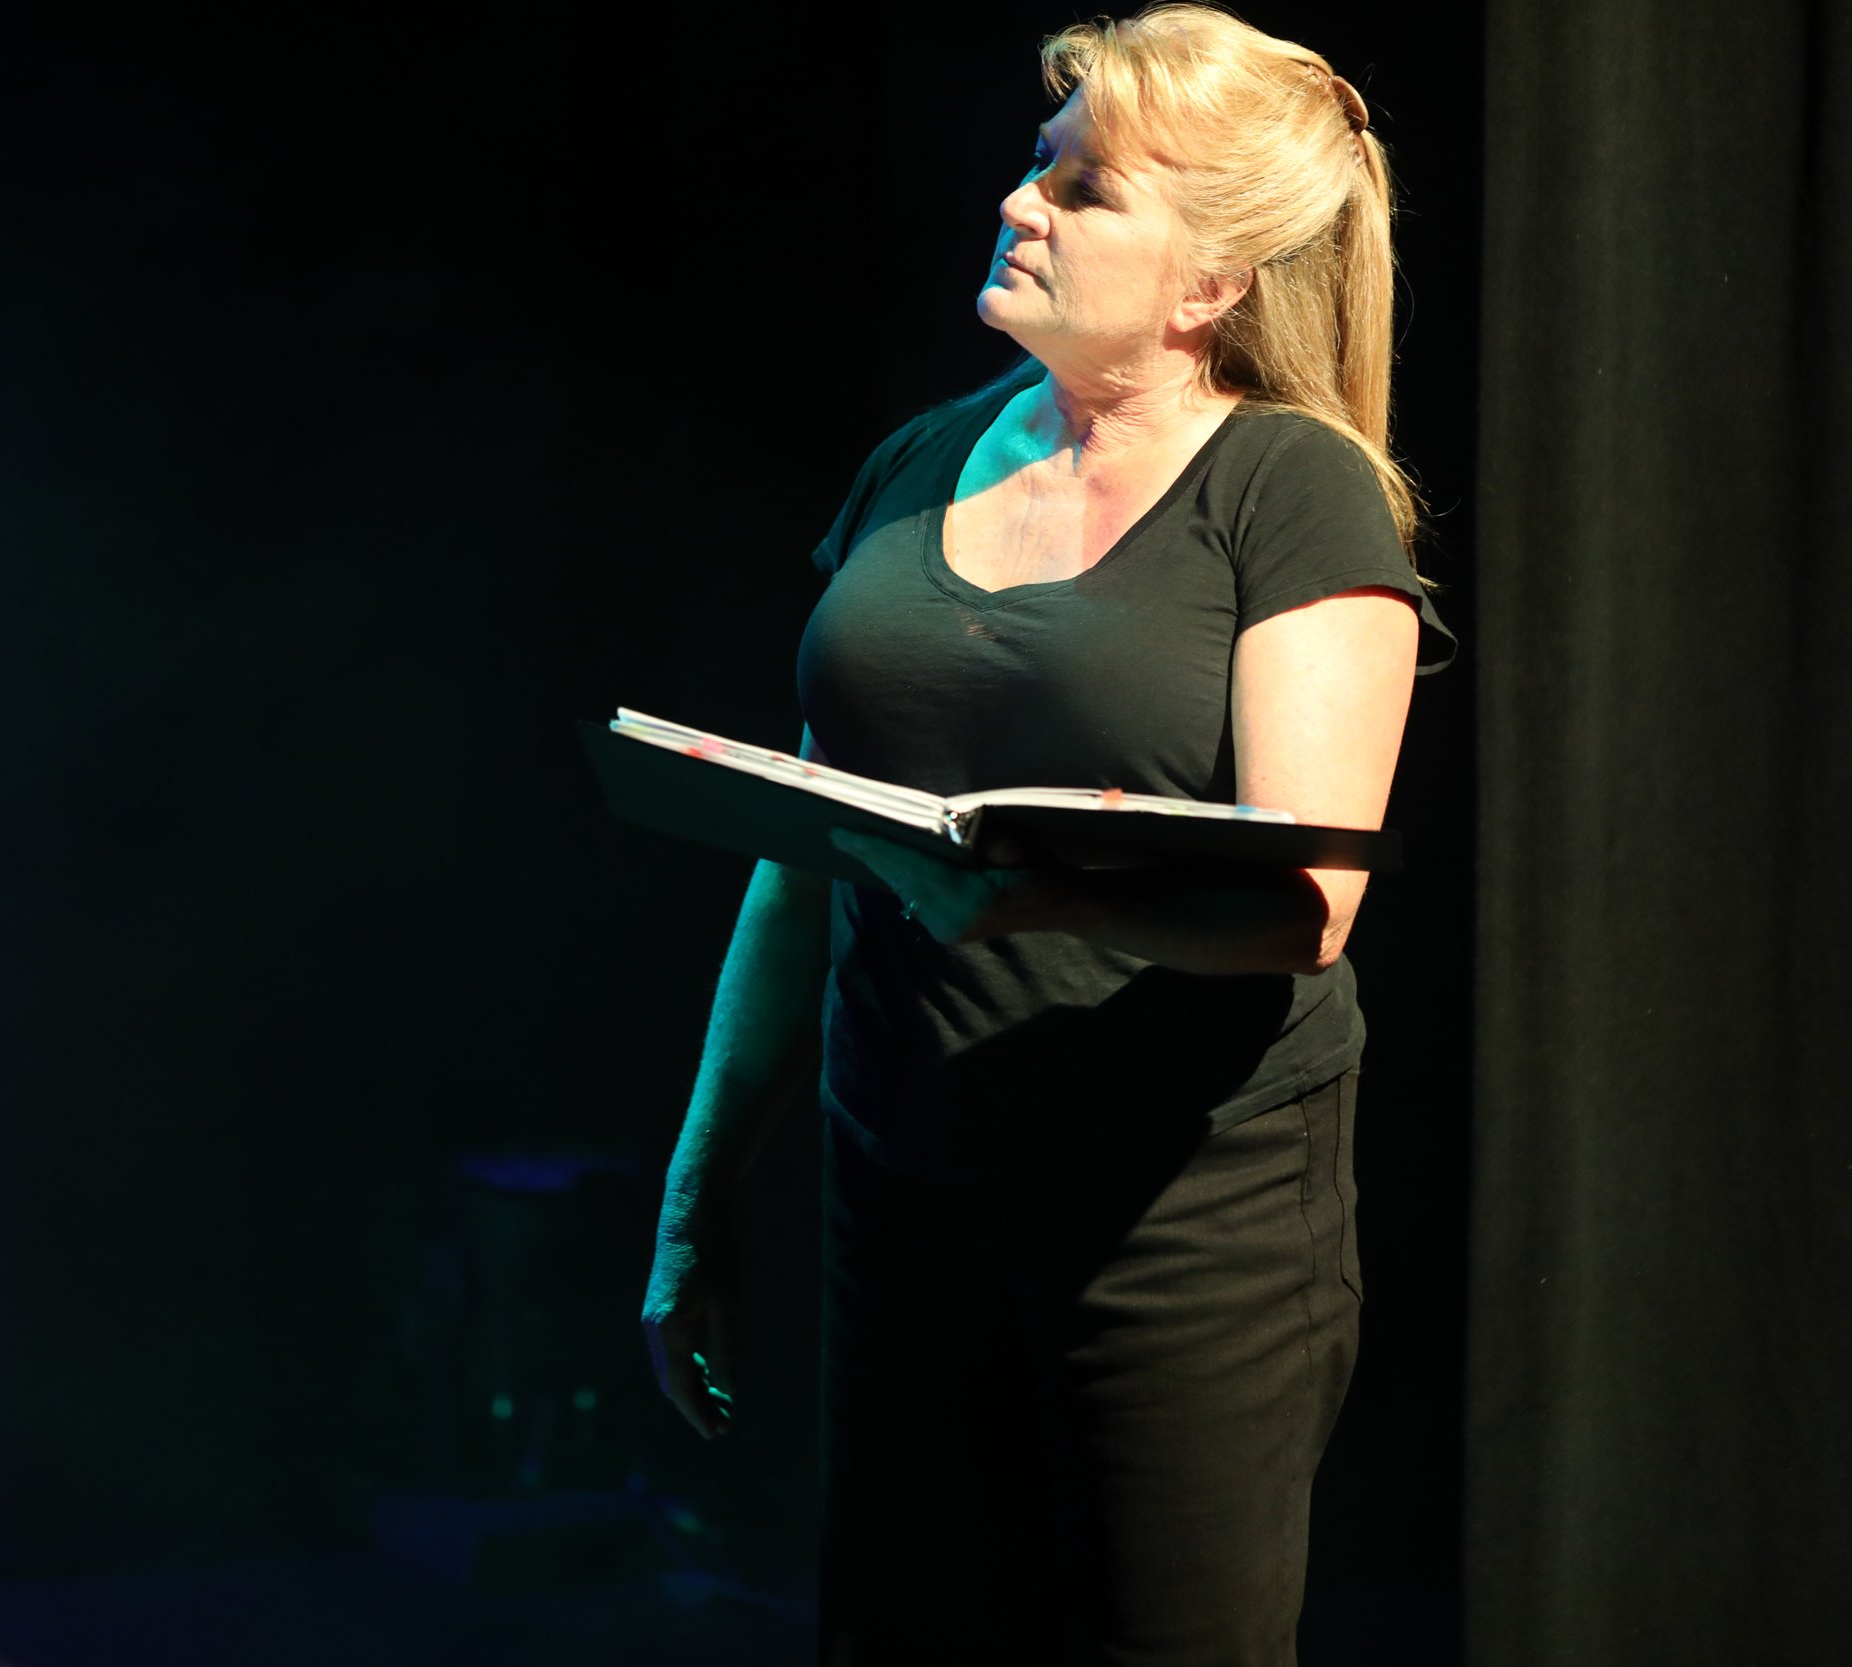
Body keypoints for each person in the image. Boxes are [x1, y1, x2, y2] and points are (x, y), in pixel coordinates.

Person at [639, 6, 1456, 1663]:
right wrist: (697, 1193)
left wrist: (1029, 899)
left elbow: (1307, 907)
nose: (1022, 203)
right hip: (902, 1192)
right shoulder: (921, 462)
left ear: (1207, 285)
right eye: (1037, 164)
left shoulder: (1289, 490)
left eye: (1086, 191)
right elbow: (805, 854)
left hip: (1176, 1228)